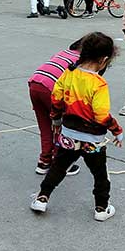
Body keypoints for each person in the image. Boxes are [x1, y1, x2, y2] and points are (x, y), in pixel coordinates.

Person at [30, 32, 123, 221]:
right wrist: (116, 129)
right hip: (92, 140)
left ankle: (42, 197)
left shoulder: (68, 73)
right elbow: (101, 114)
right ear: (104, 59)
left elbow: (56, 99)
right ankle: (101, 208)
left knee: (58, 168)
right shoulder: (99, 84)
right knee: (100, 174)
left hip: (69, 135)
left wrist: (56, 120)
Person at [29, 40, 85, 177]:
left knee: (45, 127)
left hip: (35, 84)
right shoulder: (82, 62)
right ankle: (59, 164)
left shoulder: (63, 53)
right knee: (60, 127)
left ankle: (44, 162)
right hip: (52, 89)